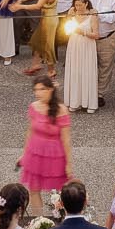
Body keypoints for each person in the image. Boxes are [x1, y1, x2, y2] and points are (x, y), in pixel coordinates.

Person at [17, 76, 73, 212]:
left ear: (50, 90)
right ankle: (39, 221)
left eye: (42, 89)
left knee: (62, 191)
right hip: (35, 152)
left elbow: (66, 139)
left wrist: (68, 163)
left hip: (55, 154)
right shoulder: (34, 107)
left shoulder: (61, 110)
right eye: (36, 89)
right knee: (34, 189)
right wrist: (24, 155)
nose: (38, 93)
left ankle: (63, 219)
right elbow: (30, 132)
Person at [12, 0, 61, 76]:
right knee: (36, 41)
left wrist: (19, 6)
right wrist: (21, 0)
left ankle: (51, 71)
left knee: (48, 45)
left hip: (50, 18)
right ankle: (36, 65)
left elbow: (38, 5)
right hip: (45, 17)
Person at [62, 0, 101, 113]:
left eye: (80, 5)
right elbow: (66, 29)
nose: (77, 7)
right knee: (75, 71)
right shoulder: (72, 12)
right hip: (74, 44)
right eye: (76, 4)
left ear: (86, 4)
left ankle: (89, 102)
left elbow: (96, 35)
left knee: (87, 71)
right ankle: (75, 101)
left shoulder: (92, 15)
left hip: (87, 45)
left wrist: (82, 32)